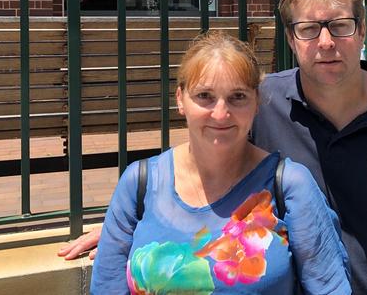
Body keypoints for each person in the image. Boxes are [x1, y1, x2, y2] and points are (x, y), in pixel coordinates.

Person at [62, 0, 367, 295]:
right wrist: (140, 222)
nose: (326, 43)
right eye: (309, 29)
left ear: (362, 30)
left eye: (340, 26)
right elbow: (211, 171)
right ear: (292, 39)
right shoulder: (263, 103)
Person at [89, 31, 351, 294]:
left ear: (257, 102)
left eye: (238, 97)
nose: (221, 114)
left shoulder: (290, 185)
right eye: (205, 96)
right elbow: (107, 287)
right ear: (180, 99)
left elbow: (330, 287)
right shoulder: (139, 183)